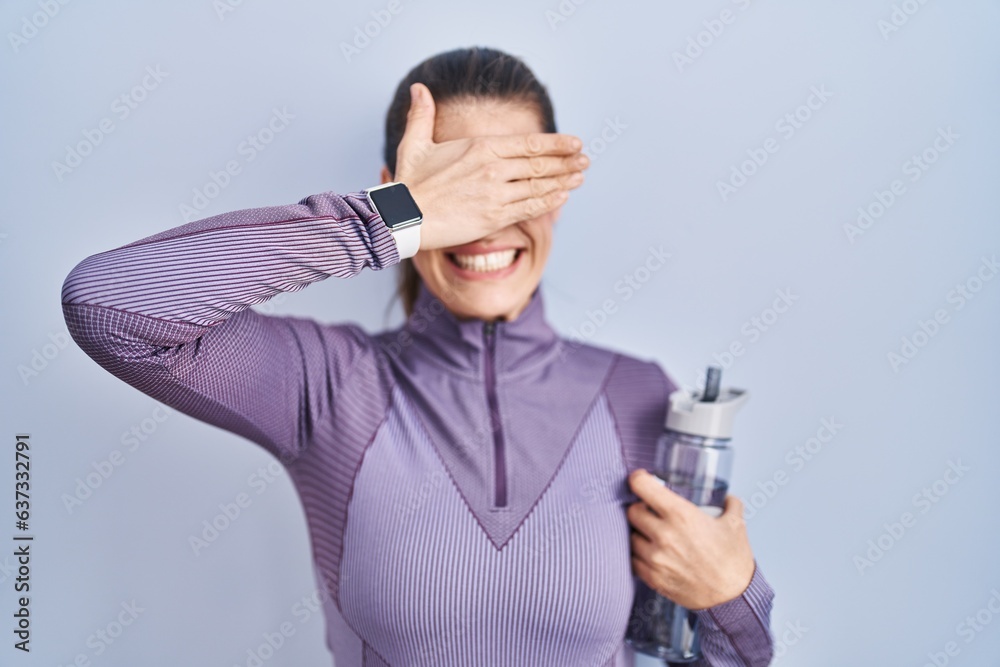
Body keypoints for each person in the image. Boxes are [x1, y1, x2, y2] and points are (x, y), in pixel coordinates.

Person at [61, 46, 774, 666]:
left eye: (514, 183)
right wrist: (387, 218)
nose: (487, 219)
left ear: (557, 194)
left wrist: (731, 596)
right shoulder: (329, 386)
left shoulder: (640, 395)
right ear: (404, 186)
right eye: (463, 186)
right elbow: (108, 306)